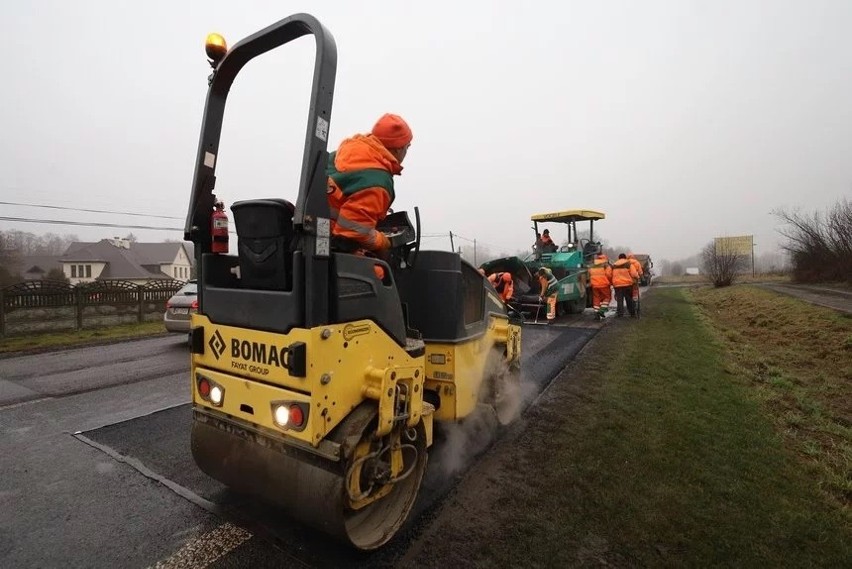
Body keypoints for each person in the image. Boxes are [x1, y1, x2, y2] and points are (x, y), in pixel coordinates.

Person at [327, 113, 413, 260]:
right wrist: (383, 241)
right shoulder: (377, 182)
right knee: (381, 271)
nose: (406, 152)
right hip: (331, 242)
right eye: (407, 147)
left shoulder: (344, 154)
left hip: (315, 233)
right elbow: (353, 231)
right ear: (399, 148)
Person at [588, 253, 612, 321]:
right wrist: (610, 281)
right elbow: (609, 274)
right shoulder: (605, 264)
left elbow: (589, 273)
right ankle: (602, 310)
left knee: (596, 298)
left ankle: (596, 314)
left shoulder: (593, 264)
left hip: (594, 285)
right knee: (607, 297)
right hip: (604, 284)